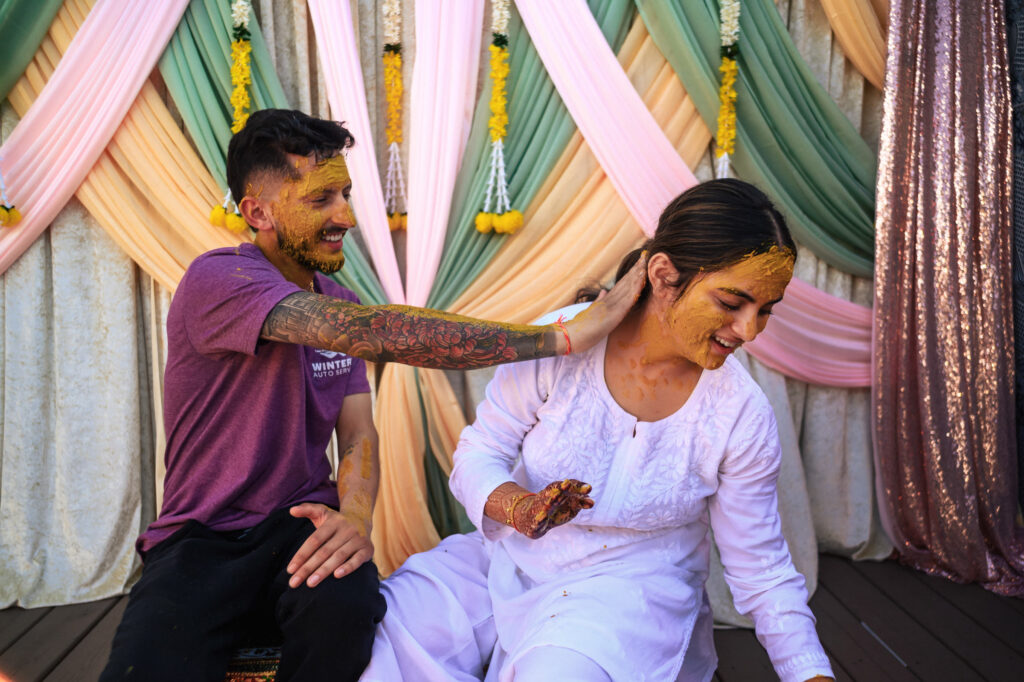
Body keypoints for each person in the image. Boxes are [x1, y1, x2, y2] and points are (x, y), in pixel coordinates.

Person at [98, 109, 644, 682]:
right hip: (201, 539)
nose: (346, 216)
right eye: (321, 200)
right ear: (257, 212)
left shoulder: (341, 297)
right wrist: (561, 337)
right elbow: (372, 332)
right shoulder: (219, 280)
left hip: (301, 526)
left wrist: (355, 519)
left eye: (346, 194)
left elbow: (357, 432)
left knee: (349, 617)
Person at [359, 179, 836, 682]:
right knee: (381, 641)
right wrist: (518, 508)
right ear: (663, 274)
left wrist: (811, 673)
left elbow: (761, 571)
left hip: (626, 593)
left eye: (765, 310)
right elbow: (482, 449)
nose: (748, 331)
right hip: (504, 560)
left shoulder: (741, 414)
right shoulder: (565, 339)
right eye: (731, 302)